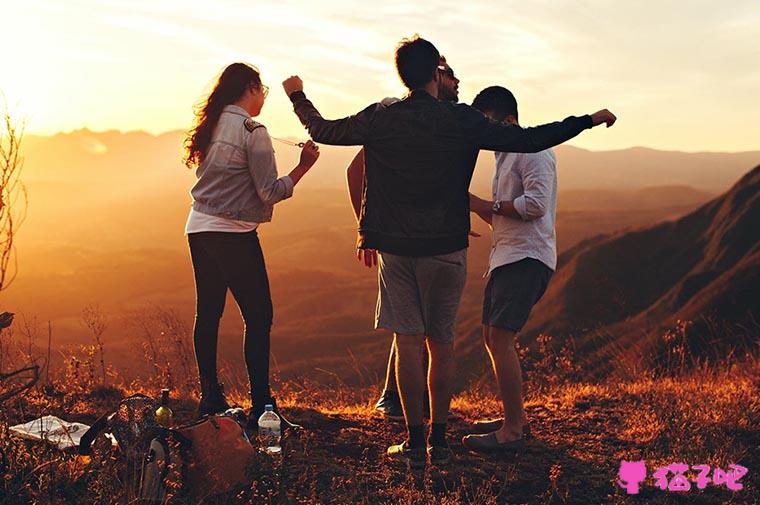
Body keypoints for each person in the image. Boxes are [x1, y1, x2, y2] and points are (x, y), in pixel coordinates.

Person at [283, 35, 615, 469]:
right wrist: (587, 120)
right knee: (442, 344)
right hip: (446, 247)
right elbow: (531, 139)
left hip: (397, 249)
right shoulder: (460, 120)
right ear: (435, 75)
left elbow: (324, 130)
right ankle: (440, 439)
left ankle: (414, 443)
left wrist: (297, 96)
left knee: (408, 344)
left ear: (403, 74)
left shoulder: (382, 117)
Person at [184, 62, 320, 431]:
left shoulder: (212, 124)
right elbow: (269, 191)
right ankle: (263, 407)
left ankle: (211, 398)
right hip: (234, 233)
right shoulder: (253, 131)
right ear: (251, 88)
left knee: (209, 312)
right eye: (262, 92)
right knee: (259, 316)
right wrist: (304, 166)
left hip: (198, 227)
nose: (263, 99)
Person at [346, 56, 461, 421]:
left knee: (416, 326)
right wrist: (366, 228)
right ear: (433, 77)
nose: (458, 83)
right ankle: (395, 400)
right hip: (400, 239)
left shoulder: (442, 122)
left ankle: (407, 404)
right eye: (450, 75)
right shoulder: (397, 116)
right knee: (411, 328)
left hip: (427, 235)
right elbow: (355, 169)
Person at [463, 86, 561, 451]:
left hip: (527, 258)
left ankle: (513, 432)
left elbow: (535, 205)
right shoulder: (504, 155)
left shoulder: (532, 150)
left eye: (485, 123)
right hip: (506, 256)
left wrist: (485, 202)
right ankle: (513, 417)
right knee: (492, 337)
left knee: (500, 339)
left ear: (506, 119)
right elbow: (507, 214)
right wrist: (475, 207)